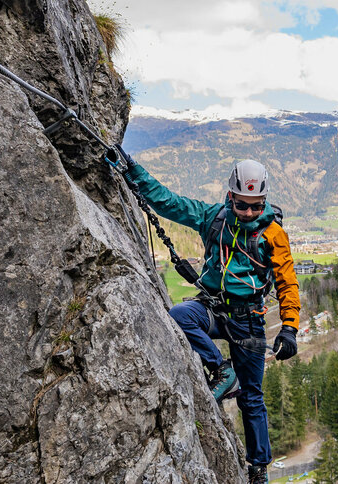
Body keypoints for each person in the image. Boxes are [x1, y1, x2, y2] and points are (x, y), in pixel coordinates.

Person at [117, 150, 300, 484]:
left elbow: (287, 281)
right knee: (180, 314)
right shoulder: (213, 218)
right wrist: (131, 170)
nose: (248, 212)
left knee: (252, 398)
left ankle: (259, 468)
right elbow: (168, 202)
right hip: (214, 309)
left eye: (256, 206)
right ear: (230, 197)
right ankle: (220, 369)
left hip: (249, 320)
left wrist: (289, 328)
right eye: (242, 204)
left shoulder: (274, 235)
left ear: (265, 202)